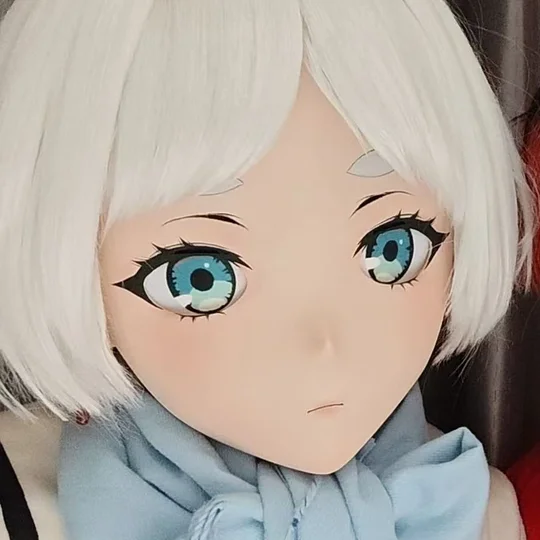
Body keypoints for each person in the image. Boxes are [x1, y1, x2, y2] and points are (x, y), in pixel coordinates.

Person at [0, 1, 532, 538]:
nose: (322, 344)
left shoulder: (471, 505)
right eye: (201, 278)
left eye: (393, 249)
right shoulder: (19, 506)